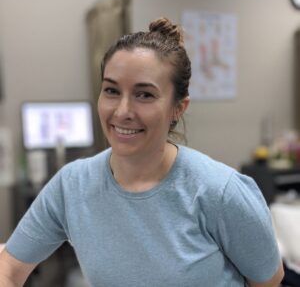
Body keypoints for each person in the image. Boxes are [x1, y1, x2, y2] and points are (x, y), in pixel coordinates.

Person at [0, 17, 284, 287]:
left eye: (144, 94)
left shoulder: (219, 192)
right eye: (111, 91)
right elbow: (9, 268)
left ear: (178, 107)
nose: (122, 111)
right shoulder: (71, 186)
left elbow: (268, 280)